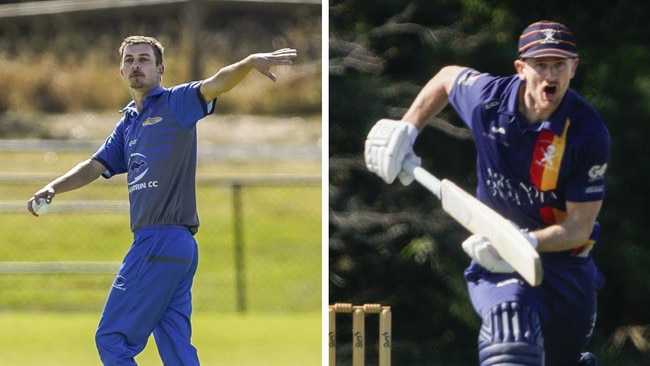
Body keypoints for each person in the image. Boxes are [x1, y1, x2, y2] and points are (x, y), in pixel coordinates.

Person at [27, 35, 297, 365]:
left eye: (144, 59)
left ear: (160, 69)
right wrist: (53, 187)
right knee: (176, 347)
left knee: (112, 339)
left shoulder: (175, 103)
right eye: (129, 60)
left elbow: (216, 84)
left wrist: (247, 63)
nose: (136, 65)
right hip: (178, 247)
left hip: (160, 240)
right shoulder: (127, 123)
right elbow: (94, 166)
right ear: (121, 71)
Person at [364, 20, 609, 365]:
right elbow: (448, 77)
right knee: (510, 346)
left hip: (566, 267)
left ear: (574, 67)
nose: (550, 76)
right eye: (540, 65)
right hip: (498, 262)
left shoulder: (587, 133)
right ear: (521, 69)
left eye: (559, 64)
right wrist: (409, 127)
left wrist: (525, 241)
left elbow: (578, 228)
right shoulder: (490, 100)